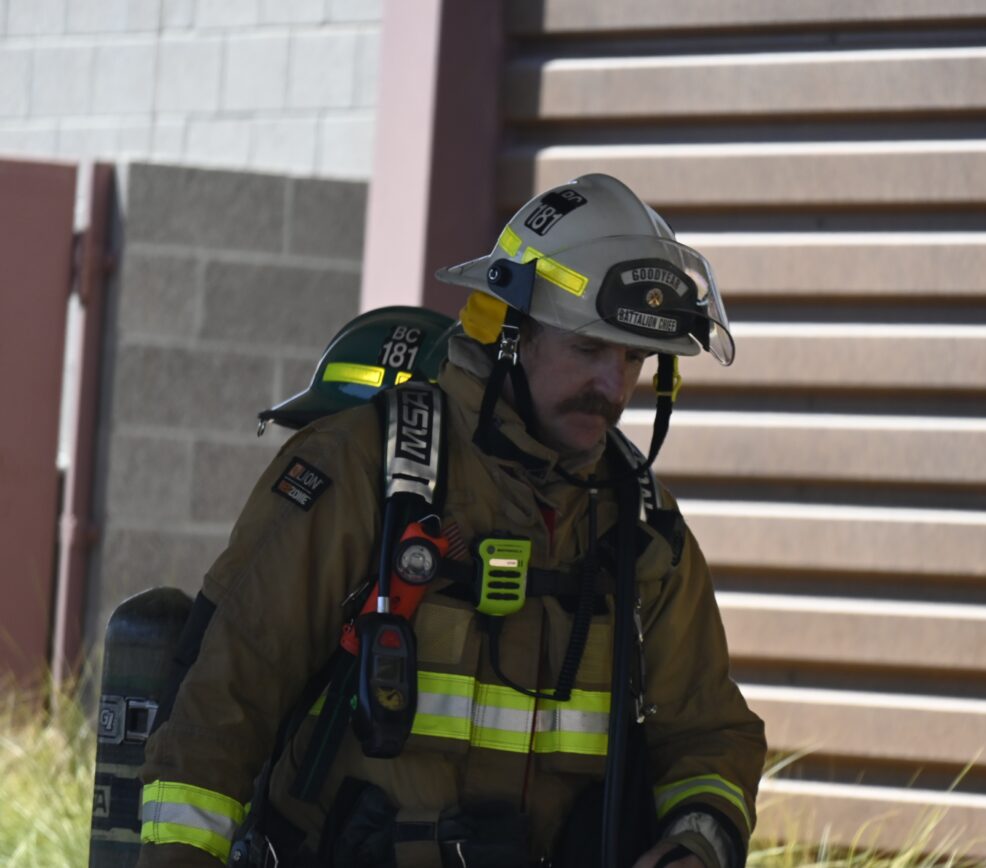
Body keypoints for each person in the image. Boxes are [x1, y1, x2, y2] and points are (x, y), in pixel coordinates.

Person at [136, 173, 766, 868]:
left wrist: (695, 843)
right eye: (588, 350)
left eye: (635, 359)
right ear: (509, 331)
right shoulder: (364, 468)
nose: (613, 389)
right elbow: (224, 698)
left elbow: (708, 734)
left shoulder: (644, 529)